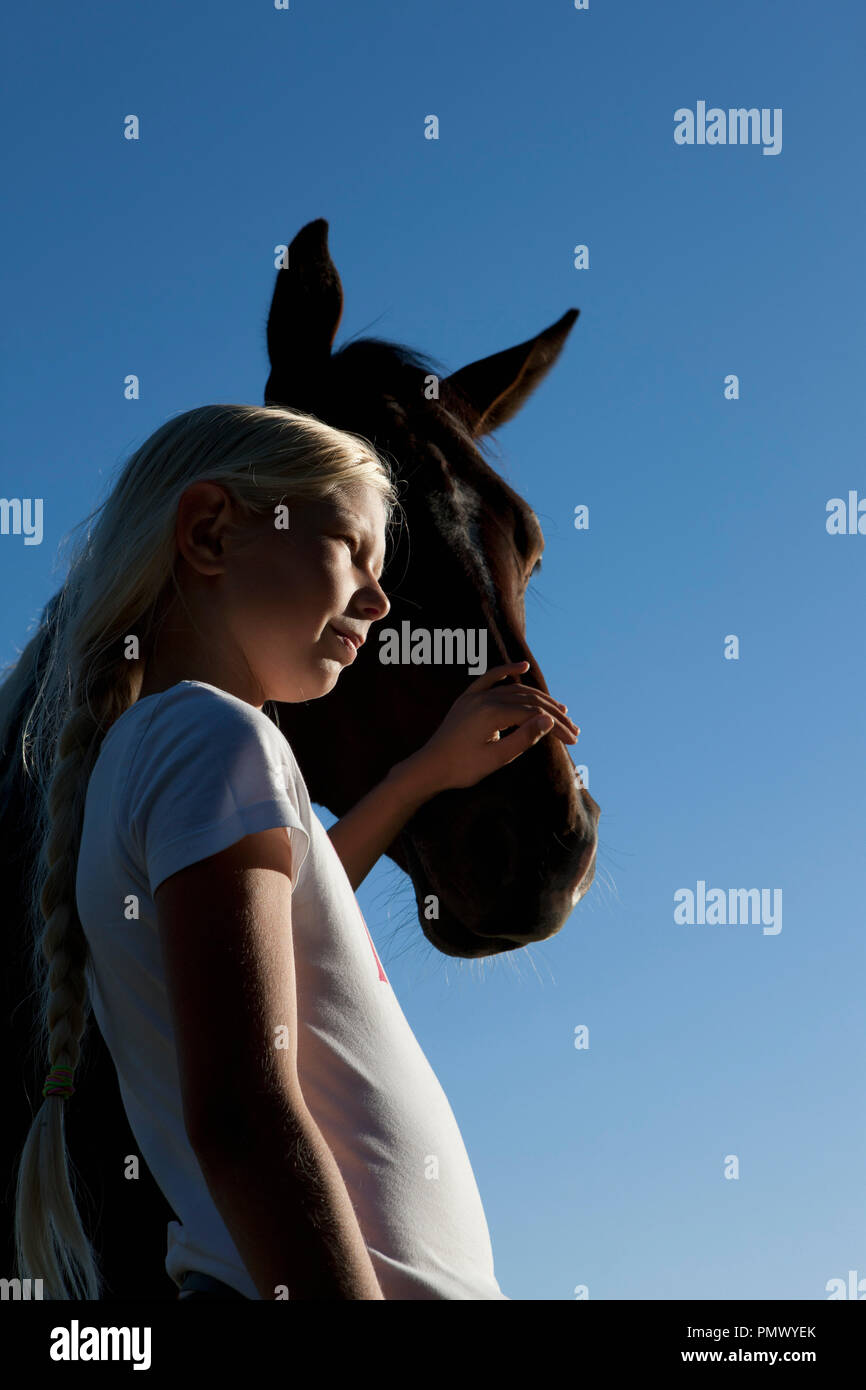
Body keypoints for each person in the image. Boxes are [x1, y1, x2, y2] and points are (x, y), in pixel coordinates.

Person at [10, 403, 579, 1301]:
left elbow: (295, 925)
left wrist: (420, 777)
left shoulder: (171, 747)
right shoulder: (214, 736)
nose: (381, 599)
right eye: (353, 548)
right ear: (208, 533)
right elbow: (242, 1117)